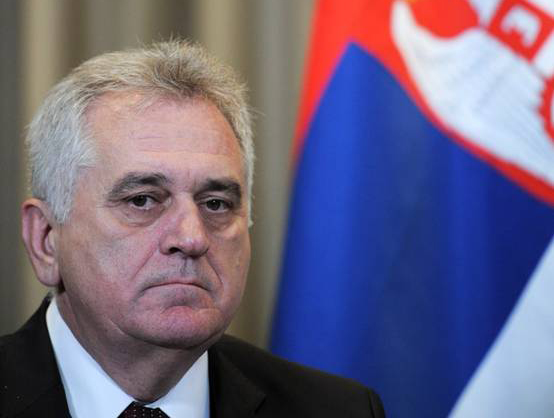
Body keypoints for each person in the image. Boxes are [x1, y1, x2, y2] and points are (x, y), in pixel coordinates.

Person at [0, 40, 385, 418]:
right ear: (46, 240)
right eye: (142, 200)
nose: (192, 238)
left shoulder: (339, 410)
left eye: (216, 204)